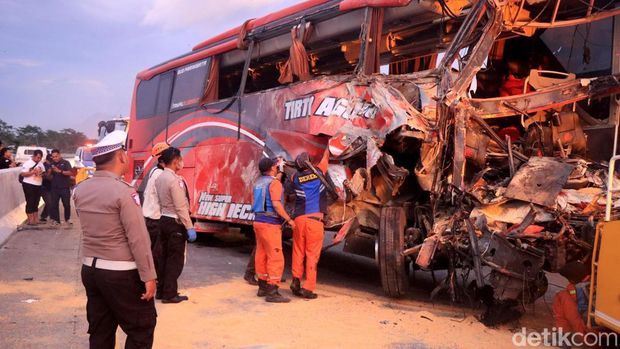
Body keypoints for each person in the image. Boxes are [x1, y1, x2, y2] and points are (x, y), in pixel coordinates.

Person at [73, 130, 157, 349]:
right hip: (121, 273)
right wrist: (148, 275)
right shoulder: (124, 192)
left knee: (101, 330)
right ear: (121, 156)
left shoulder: (80, 190)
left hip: (90, 270)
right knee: (141, 327)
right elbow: (138, 239)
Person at [155, 147, 196, 303]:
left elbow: (160, 201)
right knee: (175, 260)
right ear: (175, 161)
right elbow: (180, 206)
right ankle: (170, 294)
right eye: (180, 159)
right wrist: (189, 226)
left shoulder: (160, 178)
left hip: (163, 220)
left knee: (164, 258)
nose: (182, 163)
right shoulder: (175, 180)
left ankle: (161, 290)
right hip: (175, 223)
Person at [251, 157, 294, 303]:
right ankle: (273, 291)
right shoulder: (274, 183)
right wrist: (288, 219)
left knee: (261, 254)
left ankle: (262, 286)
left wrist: (280, 172)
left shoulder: (258, 183)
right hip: (270, 225)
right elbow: (276, 204)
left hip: (258, 222)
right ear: (271, 168)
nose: (276, 168)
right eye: (275, 166)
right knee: (275, 256)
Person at [289, 150, 329, 299]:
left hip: (299, 220)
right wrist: (327, 145)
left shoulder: (294, 178)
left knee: (298, 251)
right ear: (310, 163)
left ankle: (295, 281)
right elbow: (326, 157)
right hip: (315, 220)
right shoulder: (319, 172)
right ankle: (308, 288)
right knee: (312, 255)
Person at [142, 142, 170, 274]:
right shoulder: (160, 175)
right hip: (156, 218)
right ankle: (154, 279)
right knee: (157, 253)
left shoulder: (155, 171)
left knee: (152, 250)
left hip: (149, 217)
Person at [552, 261, 590, 336]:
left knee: (561, 297)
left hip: (589, 334)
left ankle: (562, 338)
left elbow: (574, 317)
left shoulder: (579, 289)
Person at [20, 149, 46, 226]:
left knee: (36, 202)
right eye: (38, 157)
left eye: (40, 158)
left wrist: (41, 174)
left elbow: (44, 173)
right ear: (34, 156)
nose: (39, 159)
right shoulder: (27, 163)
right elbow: (23, 174)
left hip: (38, 185)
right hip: (29, 184)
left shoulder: (40, 164)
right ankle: (30, 220)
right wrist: (33, 172)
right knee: (30, 201)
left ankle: (36, 219)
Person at [49, 149, 73, 226]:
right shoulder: (51, 164)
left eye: (56, 156)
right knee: (54, 204)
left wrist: (60, 171)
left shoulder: (66, 163)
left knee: (66, 204)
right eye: (53, 157)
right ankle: (56, 220)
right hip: (54, 188)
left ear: (59, 155)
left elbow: (70, 172)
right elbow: (49, 176)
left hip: (64, 187)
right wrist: (49, 171)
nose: (55, 158)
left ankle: (67, 219)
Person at [39, 154, 53, 223]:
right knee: (49, 202)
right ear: (46, 160)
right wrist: (49, 173)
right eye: (49, 160)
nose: (50, 162)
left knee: (51, 202)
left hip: (51, 187)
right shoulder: (42, 166)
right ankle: (44, 216)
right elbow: (45, 177)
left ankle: (46, 216)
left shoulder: (53, 165)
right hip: (43, 187)